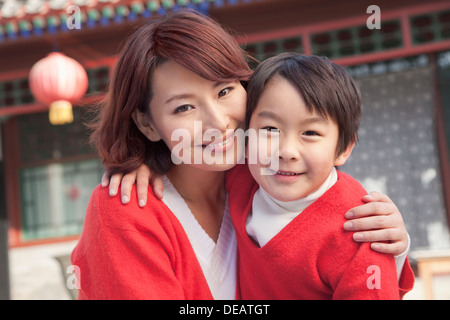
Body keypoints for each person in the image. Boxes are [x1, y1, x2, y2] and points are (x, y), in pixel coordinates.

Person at [73, 9, 410, 300]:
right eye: (185, 107)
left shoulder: (265, 178)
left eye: (224, 90)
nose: (218, 122)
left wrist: (389, 238)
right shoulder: (127, 209)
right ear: (147, 124)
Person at [226, 52, 414, 299]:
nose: (286, 151)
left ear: (344, 149)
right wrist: (156, 163)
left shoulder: (361, 232)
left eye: (311, 132)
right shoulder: (242, 175)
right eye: (270, 129)